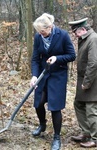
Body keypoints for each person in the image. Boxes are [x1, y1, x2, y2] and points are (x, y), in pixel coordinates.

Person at [30, 13, 76, 150]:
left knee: (55, 107)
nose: (40, 34)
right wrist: (34, 75)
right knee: (38, 103)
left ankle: (57, 137)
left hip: (58, 75)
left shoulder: (62, 35)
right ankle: (42, 124)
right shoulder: (38, 37)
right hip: (43, 75)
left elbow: (72, 55)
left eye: (43, 31)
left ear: (50, 27)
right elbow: (35, 59)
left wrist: (57, 58)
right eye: (39, 32)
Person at [69, 18, 97, 148]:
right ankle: (86, 133)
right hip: (84, 79)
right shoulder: (85, 38)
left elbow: (93, 63)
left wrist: (87, 82)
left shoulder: (93, 39)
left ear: (83, 29)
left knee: (91, 109)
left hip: (93, 80)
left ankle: (95, 138)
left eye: (75, 31)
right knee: (78, 104)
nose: (74, 34)